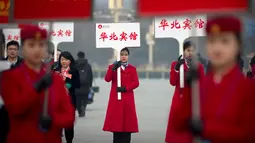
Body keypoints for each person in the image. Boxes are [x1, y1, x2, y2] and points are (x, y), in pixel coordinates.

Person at [171, 16, 255, 143]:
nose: (217, 48)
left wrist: (206, 129)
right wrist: (189, 88)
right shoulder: (201, 84)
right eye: (211, 41)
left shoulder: (248, 89)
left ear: (238, 45)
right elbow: (177, 124)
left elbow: (248, 134)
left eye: (225, 41)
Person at [0, 25, 75, 143]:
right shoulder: (11, 77)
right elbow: (14, 108)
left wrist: (53, 119)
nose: (36, 50)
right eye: (31, 45)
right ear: (22, 49)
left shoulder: (55, 79)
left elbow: (69, 116)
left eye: (41, 45)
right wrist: (36, 88)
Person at [165, 41, 204, 143]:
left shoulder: (198, 66)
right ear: (183, 51)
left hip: (193, 101)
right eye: (188, 50)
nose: (190, 53)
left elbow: (203, 84)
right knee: (178, 130)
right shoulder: (175, 64)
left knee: (190, 131)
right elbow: (172, 82)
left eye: (192, 50)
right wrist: (176, 69)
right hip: (179, 99)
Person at [103, 47, 139, 143]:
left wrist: (125, 88)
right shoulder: (112, 67)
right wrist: (113, 69)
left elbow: (136, 83)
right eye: (122, 54)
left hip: (128, 99)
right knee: (117, 126)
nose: (123, 57)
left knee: (128, 126)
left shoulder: (132, 68)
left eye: (125, 55)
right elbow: (107, 79)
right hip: (116, 100)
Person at [54, 51, 80, 143]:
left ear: (70, 61)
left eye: (66, 60)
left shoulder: (74, 70)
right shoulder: (56, 69)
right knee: (56, 123)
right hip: (57, 100)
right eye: (62, 59)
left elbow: (77, 84)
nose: (63, 61)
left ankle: (69, 140)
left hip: (70, 100)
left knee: (68, 124)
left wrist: (67, 81)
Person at [75, 51, 93, 117]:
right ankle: (83, 108)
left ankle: (80, 110)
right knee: (85, 98)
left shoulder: (74, 64)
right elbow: (90, 76)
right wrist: (90, 85)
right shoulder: (88, 65)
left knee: (77, 99)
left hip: (77, 85)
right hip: (86, 85)